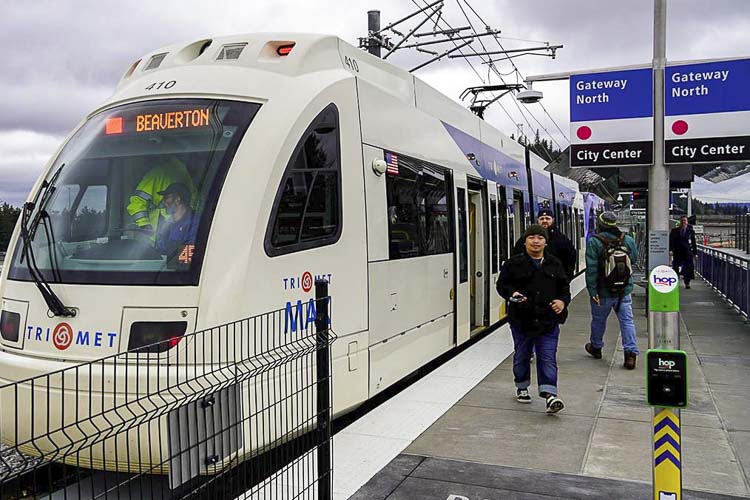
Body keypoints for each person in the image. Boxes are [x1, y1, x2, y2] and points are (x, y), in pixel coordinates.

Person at [497, 224, 571, 414]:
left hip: (548, 320)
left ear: (546, 242)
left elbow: (564, 289)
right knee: (522, 355)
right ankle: (522, 385)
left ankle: (550, 394)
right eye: (532, 237)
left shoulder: (555, 263)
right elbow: (502, 285)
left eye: (540, 238)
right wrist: (511, 293)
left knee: (547, 357)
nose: (536, 241)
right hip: (522, 320)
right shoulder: (513, 264)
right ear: (525, 241)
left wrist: (562, 302)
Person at [584, 211, 640, 370]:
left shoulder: (594, 242)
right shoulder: (627, 239)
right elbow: (634, 259)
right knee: (627, 321)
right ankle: (630, 354)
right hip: (624, 290)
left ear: (600, 224)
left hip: (603, 291)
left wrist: (592, 290)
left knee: (599, 320)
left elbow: (592, 269)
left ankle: (596, 347)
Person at [127, 157, 196, 237]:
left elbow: (136, 203)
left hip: (163, 235)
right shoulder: (163, 174)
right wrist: (145, 225)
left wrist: (144, 225)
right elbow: (136, 202)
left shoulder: (158, 174)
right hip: (157, 236)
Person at [513, 208, 577, 280]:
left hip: (554, 282)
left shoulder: (562, 240)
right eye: (541, 219)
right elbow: (516, 257)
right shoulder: (525, 239)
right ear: (537, 220)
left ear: (553, 220)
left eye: (547, 218)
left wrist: (565, 279)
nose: (544, 221)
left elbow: (570, 260)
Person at [154, 183, 199, 260]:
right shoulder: (167, 224)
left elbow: (192, 253)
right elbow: (160, 251)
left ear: (178, 199)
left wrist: (171, 255)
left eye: (166, 198)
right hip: (164, 269)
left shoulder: (196, 222)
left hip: (185, 271)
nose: (164, 202)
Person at [669, 215, 697, 289]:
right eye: (682, 221)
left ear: (687, 222)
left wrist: (695, 253)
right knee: (675, 267)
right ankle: (675, 281)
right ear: (680, 222)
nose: (683, 222)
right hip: (677, 252)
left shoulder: (691, 231)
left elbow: (693, 243)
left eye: (685, 220)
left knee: (688, 268)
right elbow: (671, 241)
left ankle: (687, 283)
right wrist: (671, 250)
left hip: (687, 252)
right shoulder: (674, 231)